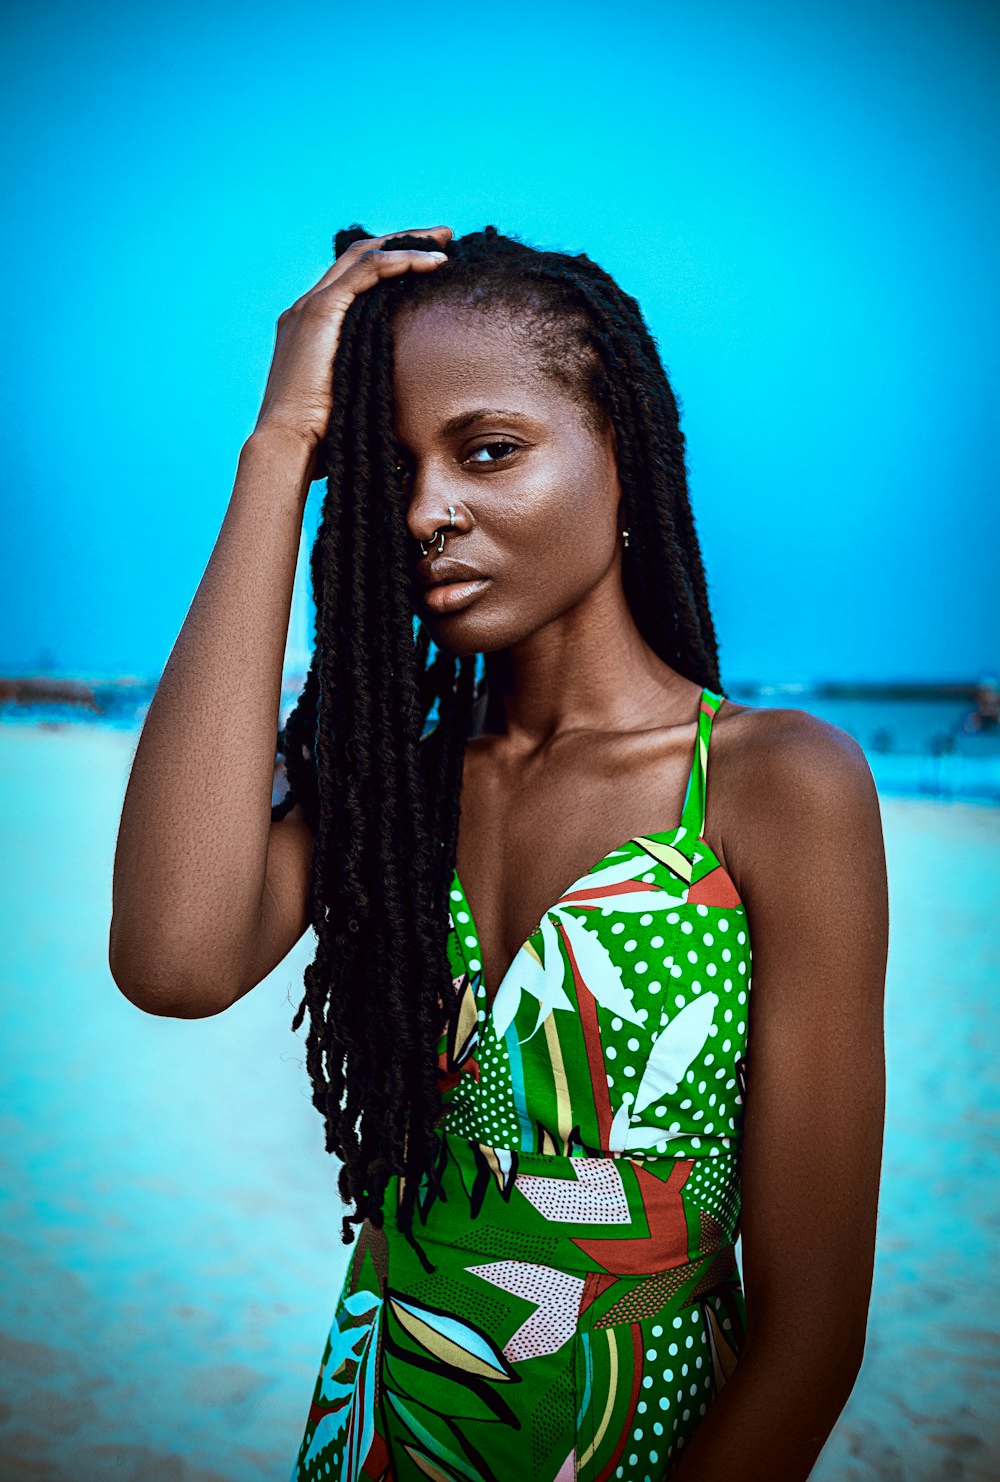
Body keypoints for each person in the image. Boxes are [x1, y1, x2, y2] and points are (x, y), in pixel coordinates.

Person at [109, 224, 889, 1481]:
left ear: (621, 450)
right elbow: (171, 959)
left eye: (488, 452)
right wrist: (276, 452)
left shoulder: (775, 787)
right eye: (388, 473)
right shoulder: (392, 803)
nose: (425, 512)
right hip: (378, 1438)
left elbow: (813, 1340)